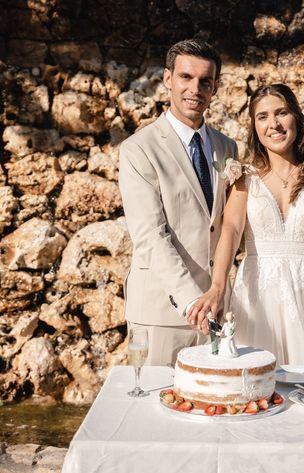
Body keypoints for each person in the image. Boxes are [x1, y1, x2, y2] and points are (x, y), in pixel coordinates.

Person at [187, 84, 304, 390]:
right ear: (255, 128)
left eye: (282, 113)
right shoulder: (244, 178)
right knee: (256, 389)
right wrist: (217, 286)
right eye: (263, 117)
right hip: (257, 298)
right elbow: (230, 231)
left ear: (296, 118)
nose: (274, 124)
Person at [119, 39, 238, 366]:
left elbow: (230, 226)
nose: (195, 88)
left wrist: (216, 295)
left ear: (215, 87)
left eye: (205, 81)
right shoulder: (138, 149)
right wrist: (192, 303)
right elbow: (150, 235)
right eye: (186, 77)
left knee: (209, 408)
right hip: (161, 311)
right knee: (152, 412)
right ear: (168, 79)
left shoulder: (228, 149)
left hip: (216, 309)